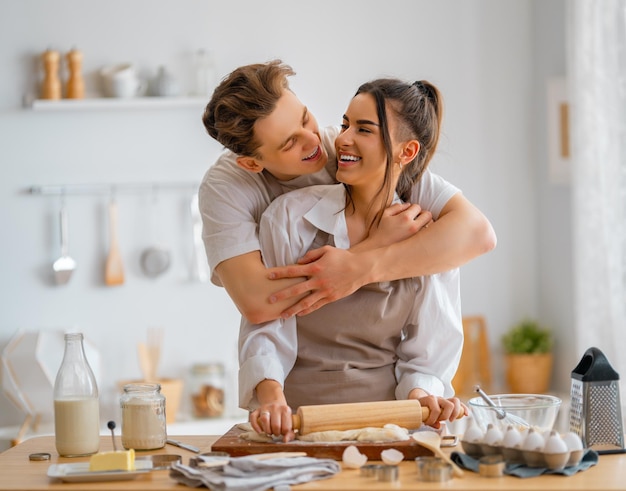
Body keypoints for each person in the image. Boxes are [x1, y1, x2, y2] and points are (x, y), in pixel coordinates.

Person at [240, 78, 466, 442]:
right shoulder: (289, 217)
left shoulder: (430, 237)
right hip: (297, 426)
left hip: (390, 429)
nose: (342, 138)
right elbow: (268, 325)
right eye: (345, 124)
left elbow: (427, 352)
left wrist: (426, 399)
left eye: (364, 129)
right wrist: (271, 400)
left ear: (406, 153)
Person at [199, 60, 496, 325]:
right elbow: (259, 303)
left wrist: (361, 267)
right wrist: (371, 245)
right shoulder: (225, 187)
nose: (313, 140)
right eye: (290, 143)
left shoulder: (346, 151)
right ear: (252, 163)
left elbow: (477, 234)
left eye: (305, 118)